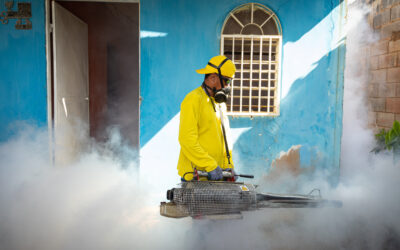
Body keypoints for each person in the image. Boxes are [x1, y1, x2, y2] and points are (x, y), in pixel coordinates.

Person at [177, 55, 237, 181]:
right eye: (226, 81)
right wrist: (209, 165)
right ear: (213, 78)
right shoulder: (193, 99)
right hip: (196, 177)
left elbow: (225, 140)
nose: (227, 87)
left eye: (229, 82)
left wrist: (229, 166)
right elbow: (187, 140)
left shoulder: (219, 104)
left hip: (216, 176)